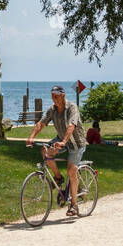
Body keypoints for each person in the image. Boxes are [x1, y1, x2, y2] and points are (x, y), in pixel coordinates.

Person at [25, 85, 87, 217]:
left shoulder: (72, 107)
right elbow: (41, 123)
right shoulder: (52, 109)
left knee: (71, 171)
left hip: (76, 143)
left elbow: (71, 126)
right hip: (61, 140)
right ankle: (58, 178)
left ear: (63, 95)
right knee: (45, 151)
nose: (54, 99)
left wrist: (64, 142)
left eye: (57, 96)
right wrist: (31, 137)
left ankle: (74, 205)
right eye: (52, 96)